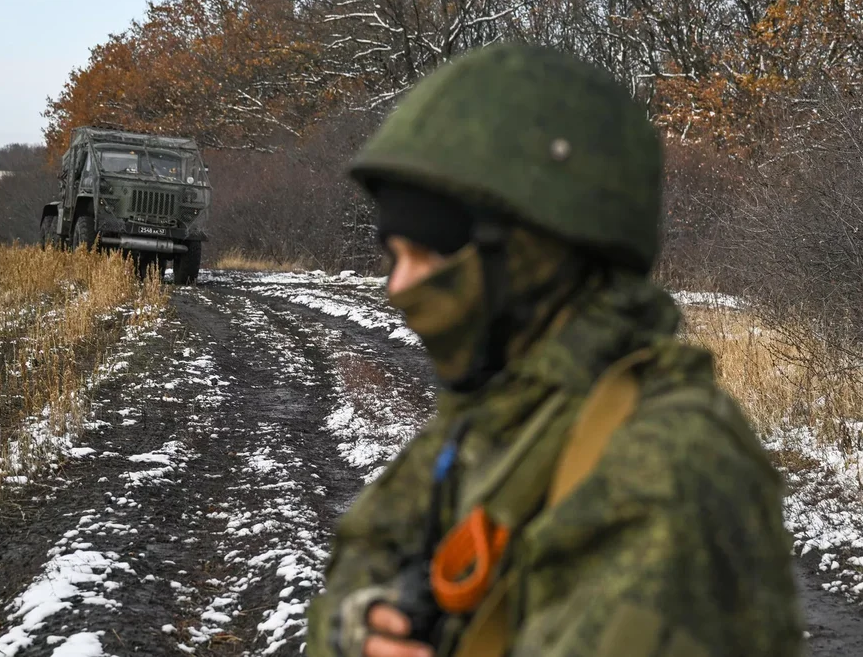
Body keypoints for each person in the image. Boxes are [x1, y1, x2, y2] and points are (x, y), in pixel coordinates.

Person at [305, 44, 803, 657]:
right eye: (394, 256)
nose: (398, 287)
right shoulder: (498, 415)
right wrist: (360, 624)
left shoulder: (666, 468)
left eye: (429, 254)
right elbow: (361, 557)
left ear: (532, 254)